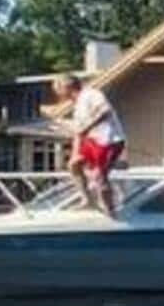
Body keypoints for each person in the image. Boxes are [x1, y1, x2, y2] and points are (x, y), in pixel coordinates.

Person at [50, 74, 125, 216]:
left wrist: (87, 128)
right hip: (93, 140)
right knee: (74, 165)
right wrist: (63, 126)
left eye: (58, 89)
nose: (57, 94)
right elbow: (79, 131)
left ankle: (110, 211)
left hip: (109, 140)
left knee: (100, 176)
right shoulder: (77, 104)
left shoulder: (91, 94)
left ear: (67, 87)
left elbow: (105, 111)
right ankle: (88, 201)